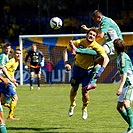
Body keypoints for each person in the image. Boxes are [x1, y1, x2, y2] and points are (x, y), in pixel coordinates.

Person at [63, 28, 109, 120]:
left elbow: (106, 59)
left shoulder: (97, 47)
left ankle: (84, 108)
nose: (91, 36)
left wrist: (101, 70)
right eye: (90, 34)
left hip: (88, 71)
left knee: (85, 93)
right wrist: (66, 63)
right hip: (77, 69)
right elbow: (65, 51)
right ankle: (72, 105)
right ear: (86, 34)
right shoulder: (79, 42)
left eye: (93, 35)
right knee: (74, 89)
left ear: (95, 37)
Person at [73, 9, 123, 89]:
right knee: (96, 62)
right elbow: (97, 29)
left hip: (115, 43)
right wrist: (88, 29)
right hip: (116, 47)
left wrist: (89, 42)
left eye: (95, 19)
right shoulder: (103, 22)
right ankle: (93, 82)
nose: (94, 21)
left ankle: (78, 51)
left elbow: (100, 35)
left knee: (98, 50)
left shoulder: (105, 22)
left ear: (99, 17)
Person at [113, 39, 133, 133]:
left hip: (130, 84)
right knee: (119, 107)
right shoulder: (120, 57)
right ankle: (131, 126)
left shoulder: (123, 58)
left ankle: (132, 128)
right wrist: (115, 76)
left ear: (115, 48)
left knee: (126, 103)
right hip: (125, 84)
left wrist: (120, 87)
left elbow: (125, 74)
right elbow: (121, 70)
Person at [0, 49, 21, 120]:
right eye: (17, 53)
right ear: (14, 54)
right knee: (15, 97)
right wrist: (10, 79)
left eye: (20, 54)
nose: (18, 55)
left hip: (4, 81)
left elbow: (11, 72)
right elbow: (4, 69)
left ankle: (7, 105)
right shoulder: (12, 61)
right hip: (6, 82)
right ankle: (10, 116)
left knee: (2, 101)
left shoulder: (16, 62)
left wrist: (14, 82)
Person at [0, 43, 12, 108]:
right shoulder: (3, 56)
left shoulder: (6, 56)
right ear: (4, 49)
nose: (7, 50)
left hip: (3, 75)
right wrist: (3, 67)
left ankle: (4, 102)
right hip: (1, 76)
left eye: (9, 48)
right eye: (6, 48)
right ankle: (6, 102)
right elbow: (2, 66)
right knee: (10, 86)